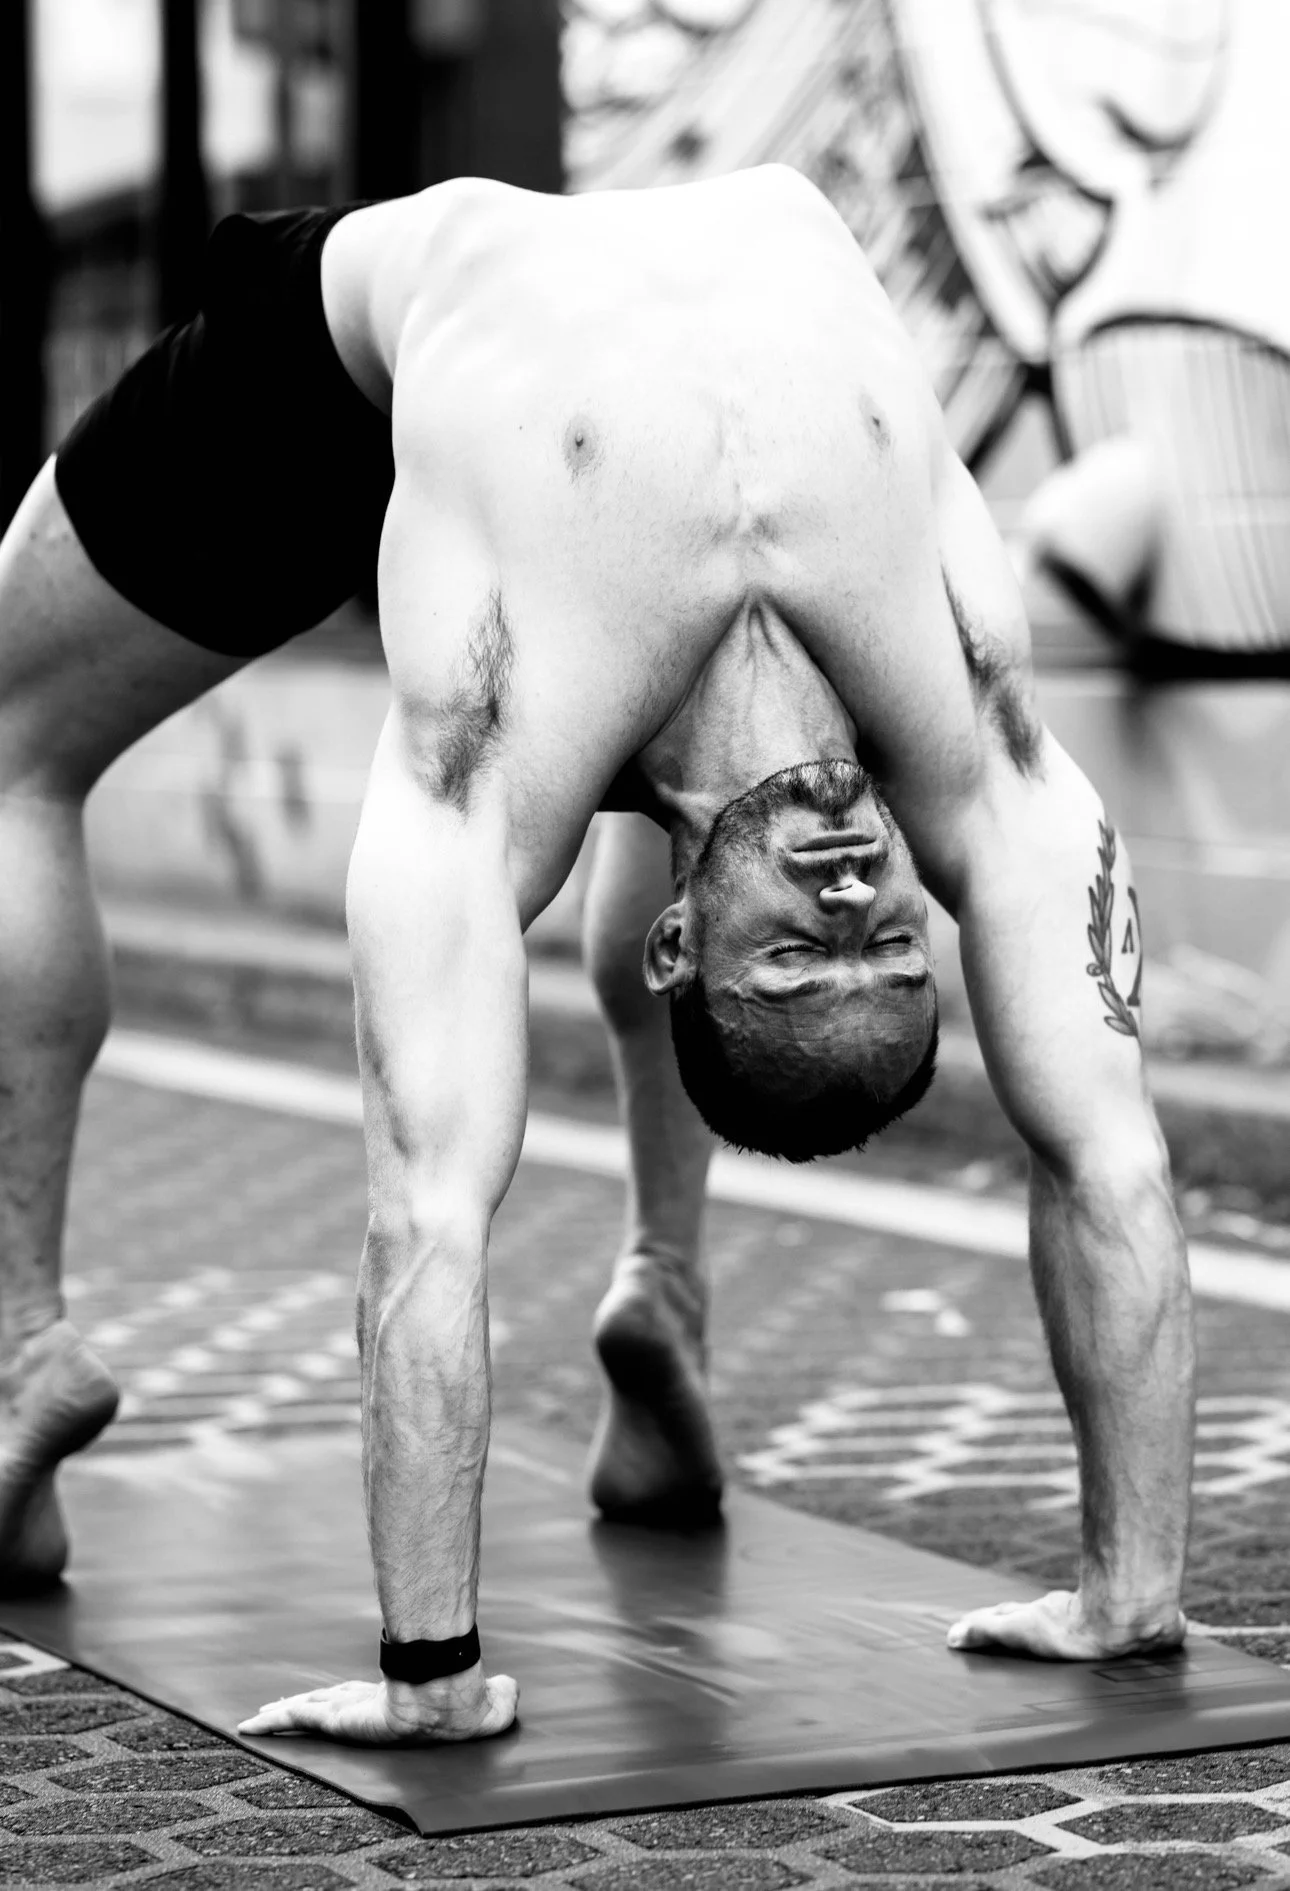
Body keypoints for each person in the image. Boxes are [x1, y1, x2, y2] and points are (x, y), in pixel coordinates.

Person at [0, 168, 1193, 1748]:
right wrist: (1131, 1586)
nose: (849, 906)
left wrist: (429, 1669)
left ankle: (21, 1350)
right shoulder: (967, 701)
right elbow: (1104, 1148)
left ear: (685, 941)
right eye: (894, 953)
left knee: (11, 746)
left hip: (408, 410)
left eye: (791, 964)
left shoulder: (491, 712)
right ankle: (661, 1295)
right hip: (439, 377)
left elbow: (426, 1205)